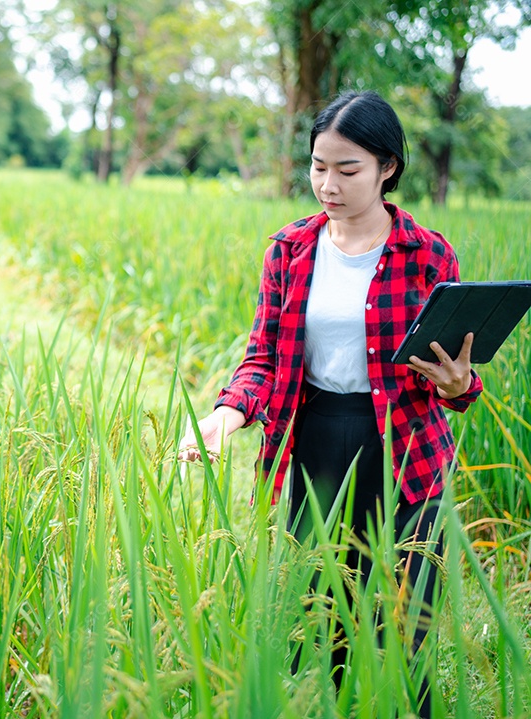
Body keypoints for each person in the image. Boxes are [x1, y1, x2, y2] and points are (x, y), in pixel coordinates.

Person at [177, 90, 482, 717]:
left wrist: (460, 386)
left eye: (348, 169)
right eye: (319, 166)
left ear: (387, 168)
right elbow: (264, 358)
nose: (328, 185)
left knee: (406, 630)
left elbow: (455, 370)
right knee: (319, 621)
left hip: (408, 450)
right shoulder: (289, 251)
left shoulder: (428, 254)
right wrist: (226, 415)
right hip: (317, 443)